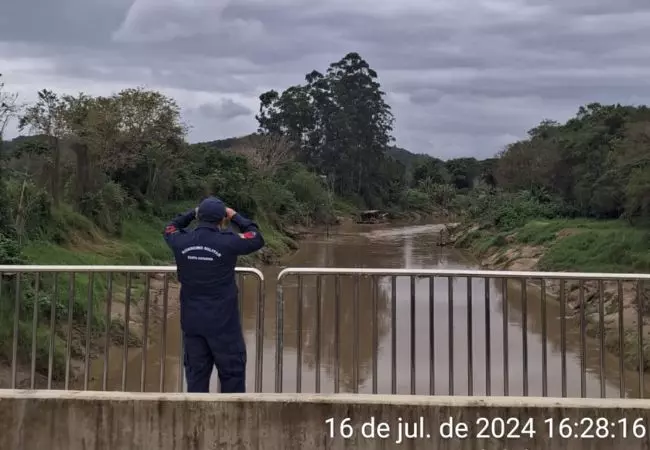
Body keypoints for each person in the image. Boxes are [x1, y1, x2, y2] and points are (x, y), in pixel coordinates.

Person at [162, 196, 265, 393]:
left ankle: (195, 422)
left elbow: (170, 227)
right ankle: (232, 421)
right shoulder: (228, 242)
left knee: (196, 380)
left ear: (199, 217)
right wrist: (235, 216)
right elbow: (256, 237)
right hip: (224, 325)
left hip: (193, 325)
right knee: (232, 376)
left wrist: (192, 212)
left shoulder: (181, 240)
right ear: (222, 220)